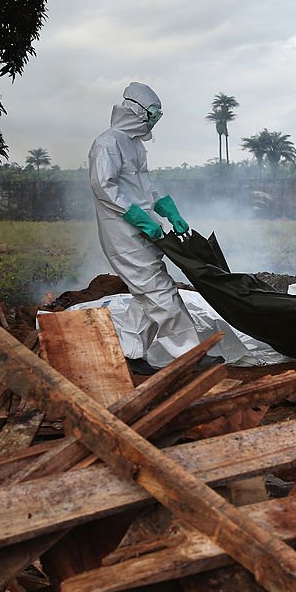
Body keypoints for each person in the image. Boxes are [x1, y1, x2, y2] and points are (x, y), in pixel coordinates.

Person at [88, 81, 205, 373]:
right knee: (160, 291)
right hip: (122, 232)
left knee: (145, 296)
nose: (154, 118)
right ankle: (190, 357)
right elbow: (104, 186)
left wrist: (166, 209)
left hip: (143, 230)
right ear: (135, 109)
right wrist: (138, 217)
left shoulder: (135, 146)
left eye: (157, 114)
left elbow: (144, 187)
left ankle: (130, 353)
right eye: (152, 112)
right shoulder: (108, 143)